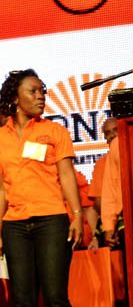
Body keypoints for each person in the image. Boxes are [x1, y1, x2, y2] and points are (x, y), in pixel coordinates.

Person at [0, 69, 83, 307]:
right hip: (14, 225)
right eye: (33, 91)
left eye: (42, 92)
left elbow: (67, 175)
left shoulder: (55, 131)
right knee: (22, 300)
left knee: (55, 297)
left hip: (51, 221)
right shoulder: (0, 138)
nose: (40, 97)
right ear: (15, 99)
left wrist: (76, 215)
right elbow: (1, 190)